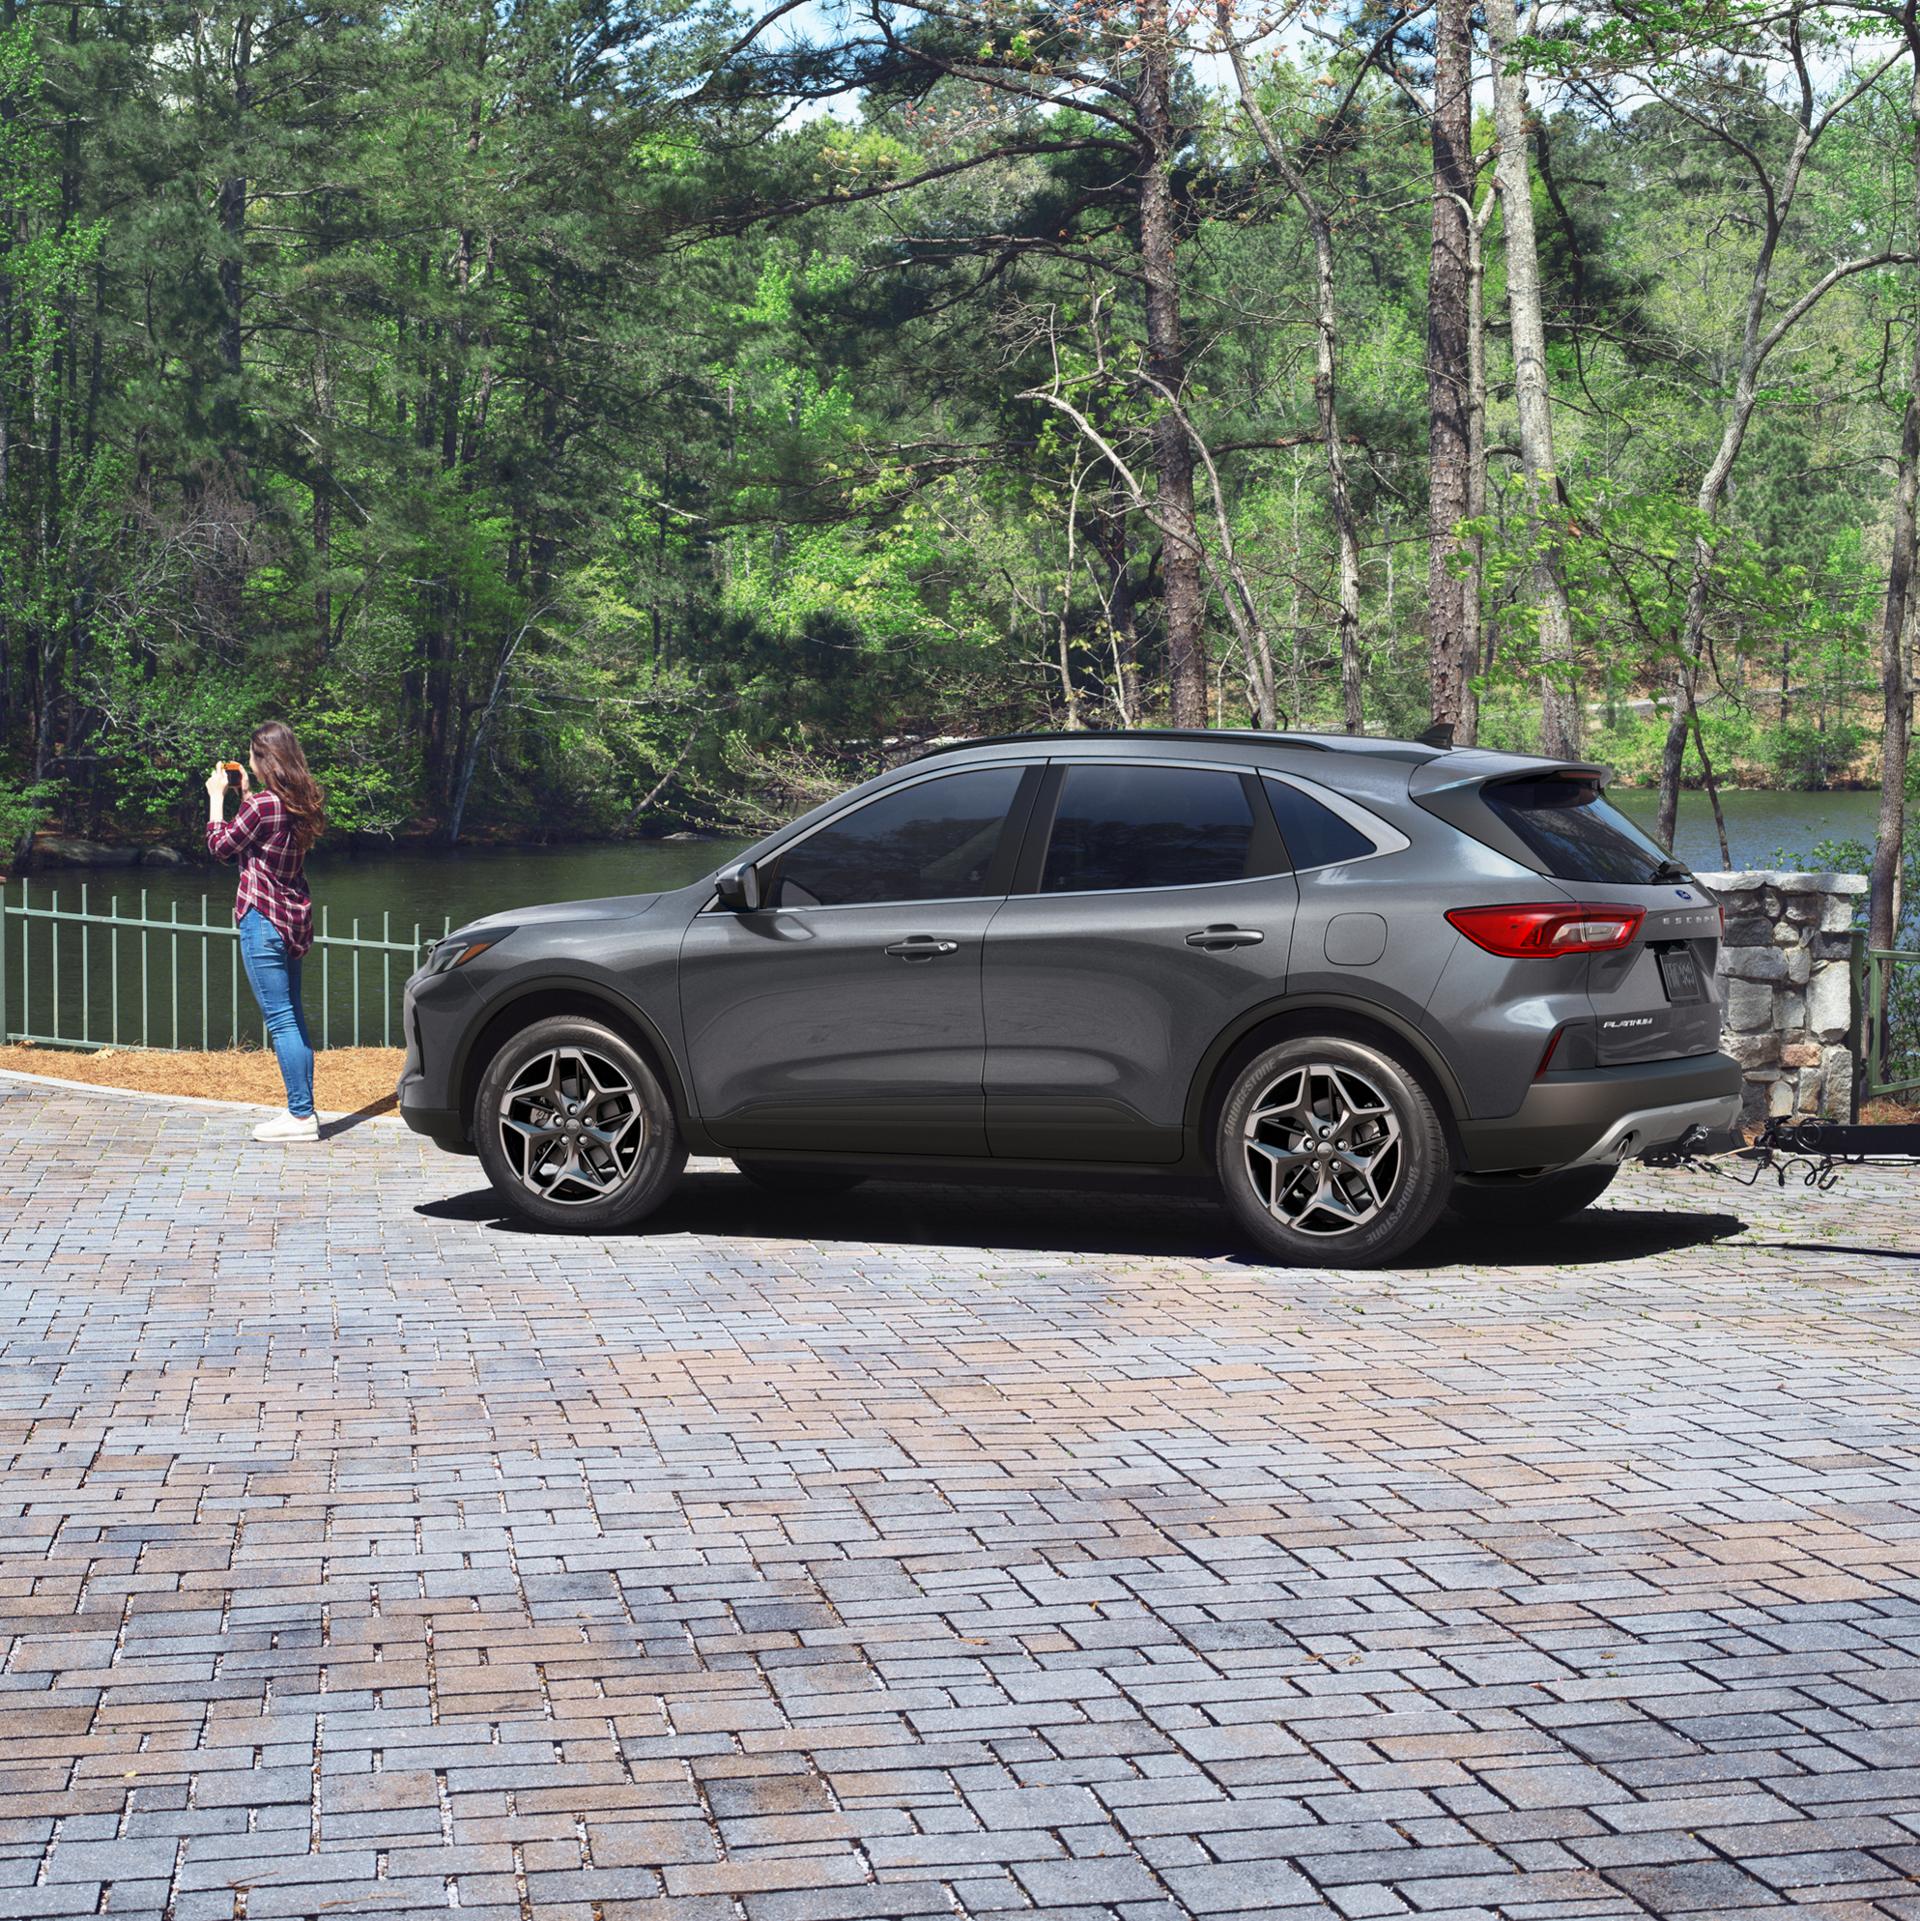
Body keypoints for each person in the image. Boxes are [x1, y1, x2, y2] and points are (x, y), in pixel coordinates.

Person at [205, 722, 326, 1142]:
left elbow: (221, 847)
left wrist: (216, 800)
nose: (250, 764)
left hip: (262, 917)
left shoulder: (262, 806)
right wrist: (244, 797)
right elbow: (262, 836)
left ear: (264, 758)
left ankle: (300, 1116)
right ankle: (302, 1110)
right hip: (292, 918)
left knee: (280, 1021)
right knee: (292, 1016)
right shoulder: (301, 802)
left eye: (253, 757)